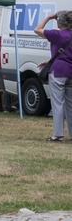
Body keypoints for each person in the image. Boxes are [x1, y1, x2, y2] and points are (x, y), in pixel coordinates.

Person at [34, 11, 72, 142]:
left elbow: (37, 29)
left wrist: (49, 17)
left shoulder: (57, 34)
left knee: (57, 104)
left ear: (59, 23)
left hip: (58, 72)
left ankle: (58, 134)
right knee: (70, 105)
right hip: (70, 72)